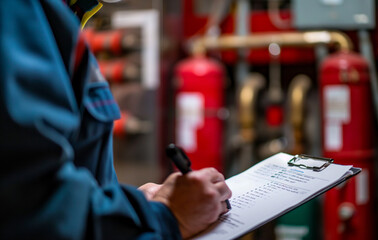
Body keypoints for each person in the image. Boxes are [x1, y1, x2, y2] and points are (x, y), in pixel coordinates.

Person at [0, 0, 231, 239]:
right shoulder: (18, 11)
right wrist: (167, 216)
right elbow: (34, 206)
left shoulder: (69, 14)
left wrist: (132, 207)